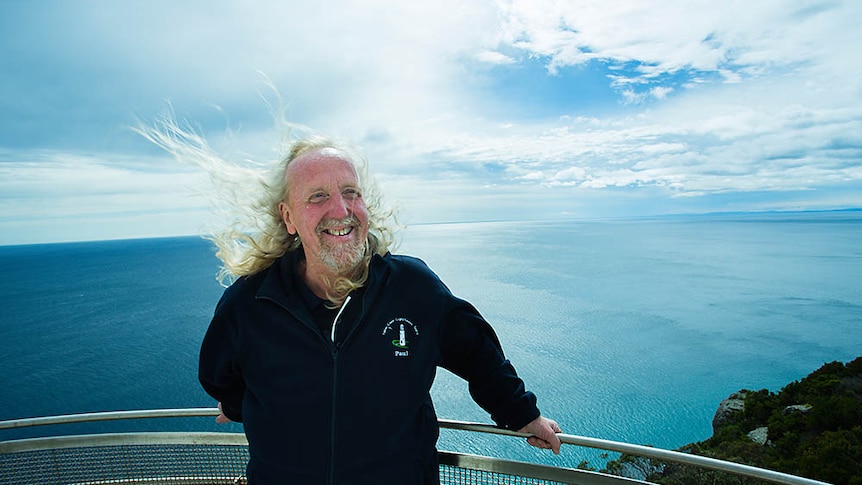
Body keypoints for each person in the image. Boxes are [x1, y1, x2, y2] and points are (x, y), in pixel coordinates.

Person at [173, 130, 561, 483]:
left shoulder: (412, 288)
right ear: (288, 217)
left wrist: (522, 414)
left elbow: (477, 353)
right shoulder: (250, 303)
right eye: (318, 196)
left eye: (350, 192)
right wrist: (239, 403)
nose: (340, 210)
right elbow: (219, 377)